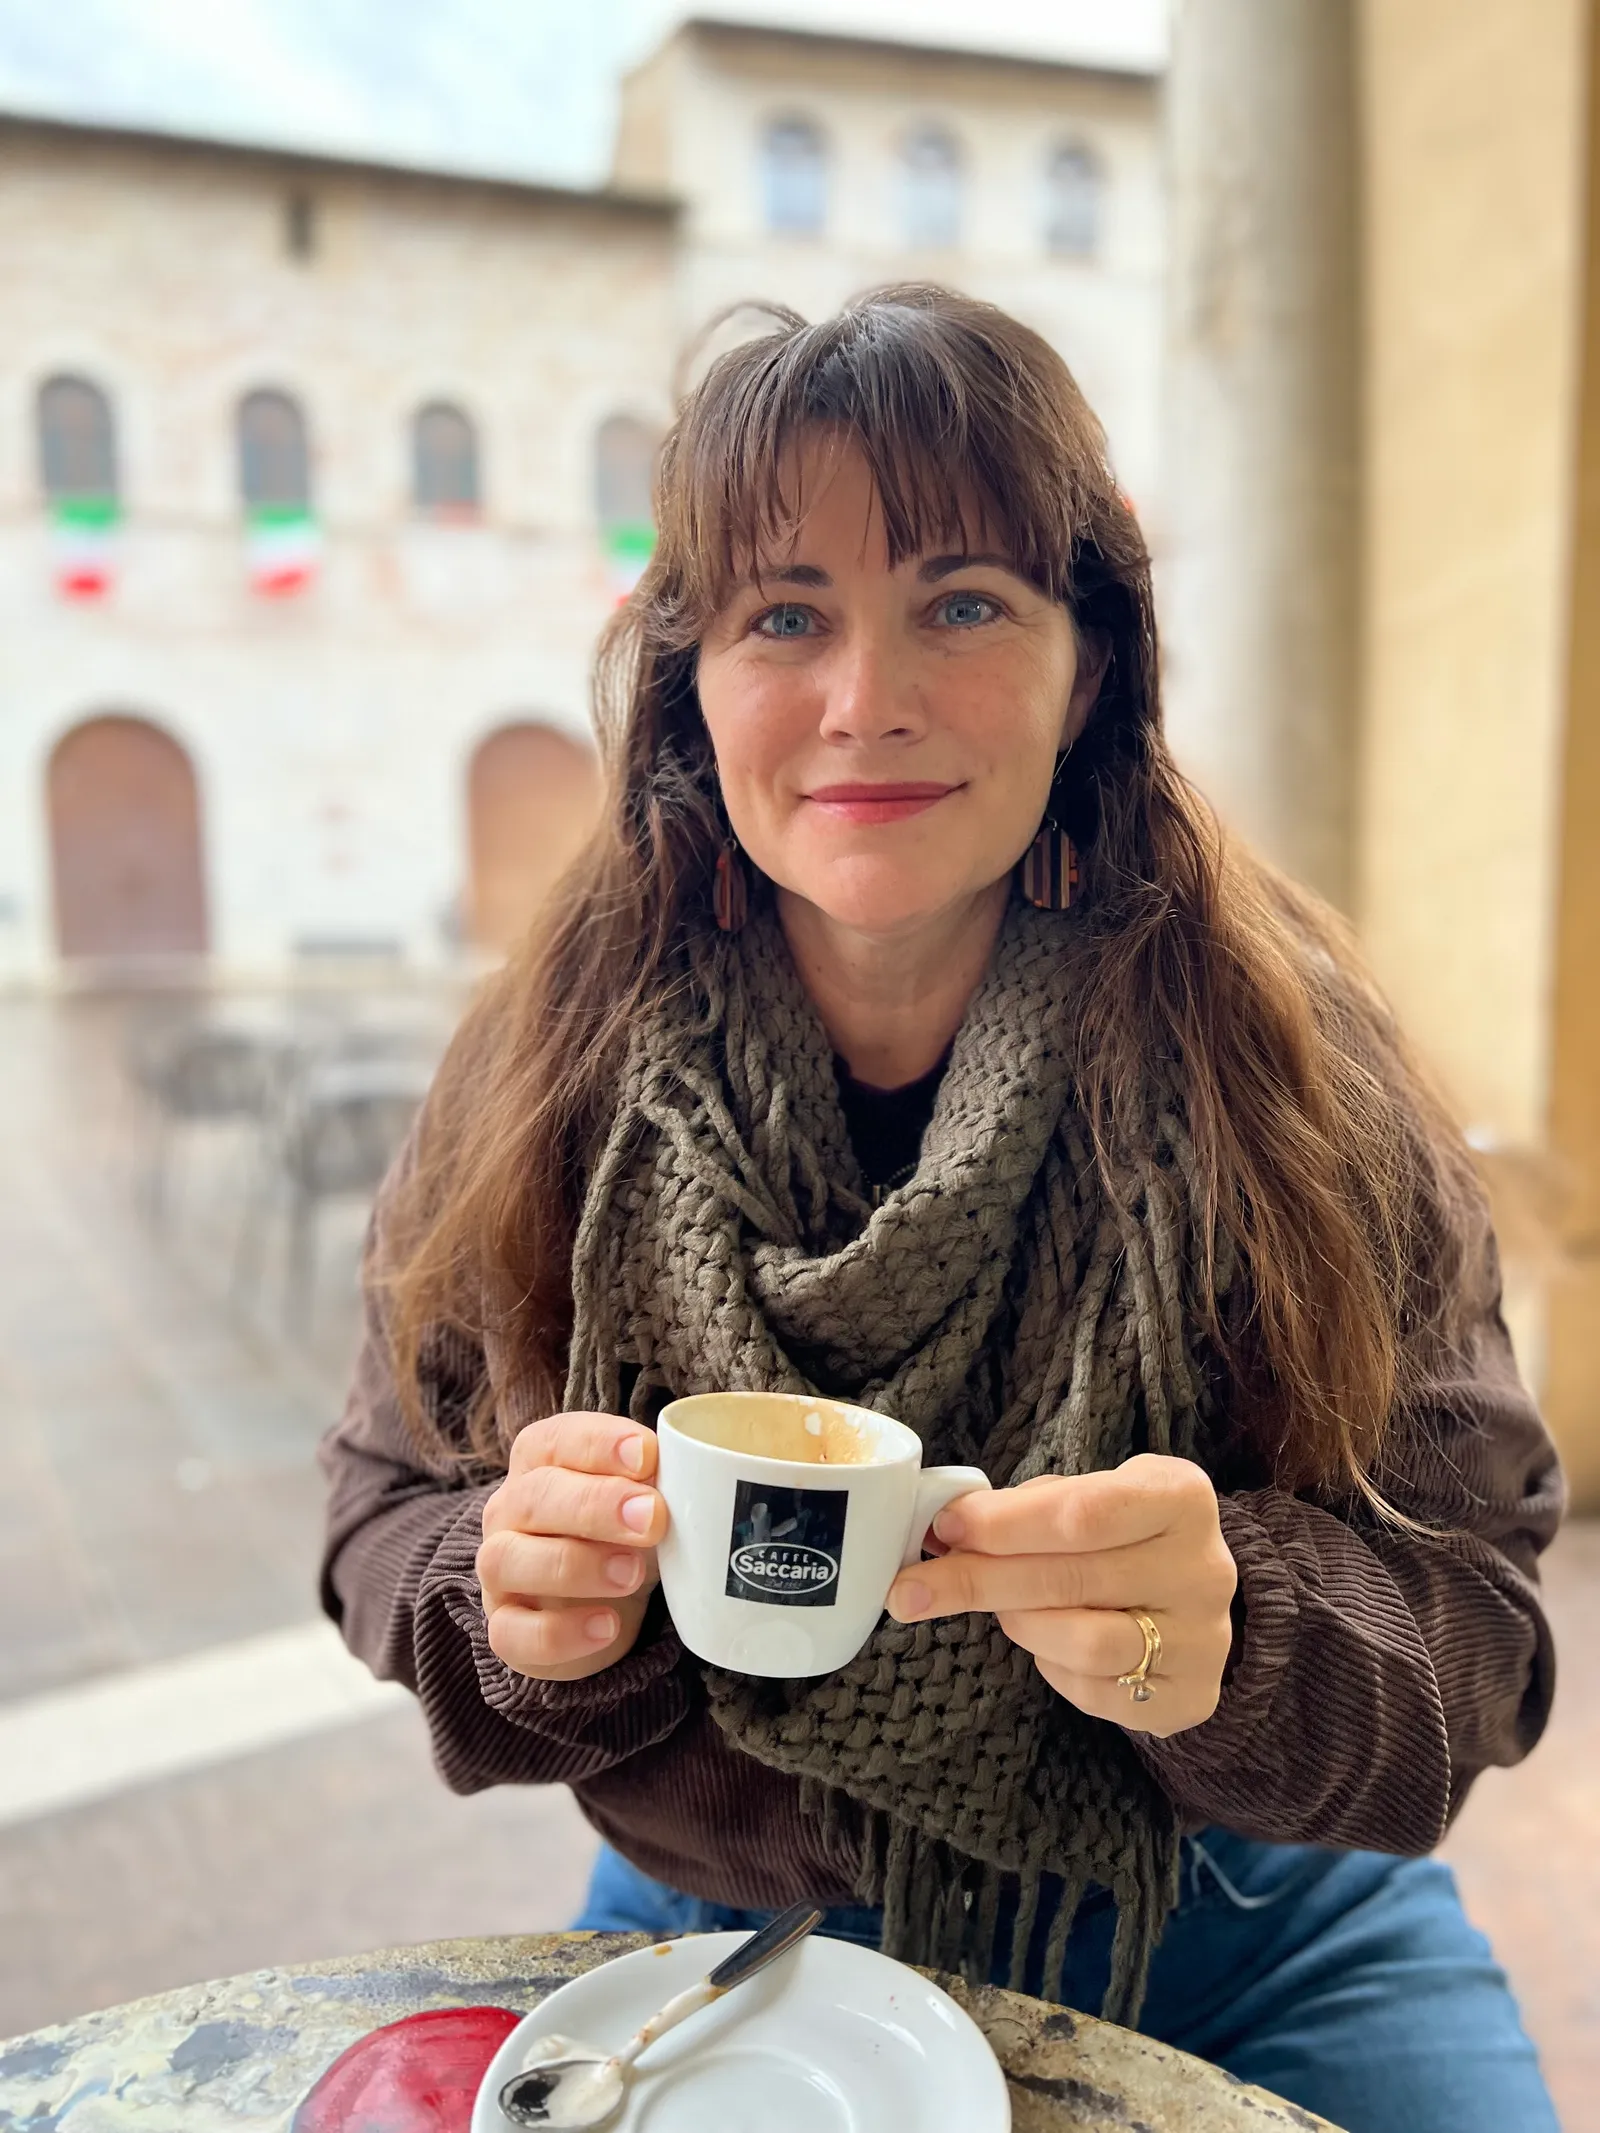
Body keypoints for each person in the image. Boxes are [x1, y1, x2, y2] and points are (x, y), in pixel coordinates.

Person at [320, 287, 1563, 2132]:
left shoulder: (1288, 1064)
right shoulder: (543, 1068)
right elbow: (378, 1518)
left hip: (1251, 1920)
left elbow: (1485, 1622)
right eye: (785, 616)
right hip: (726, 1926)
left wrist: (1239, 1644)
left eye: (963, 601)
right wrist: (515, 1606)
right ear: (692, 680)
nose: (865, 701)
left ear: (1092, 664)